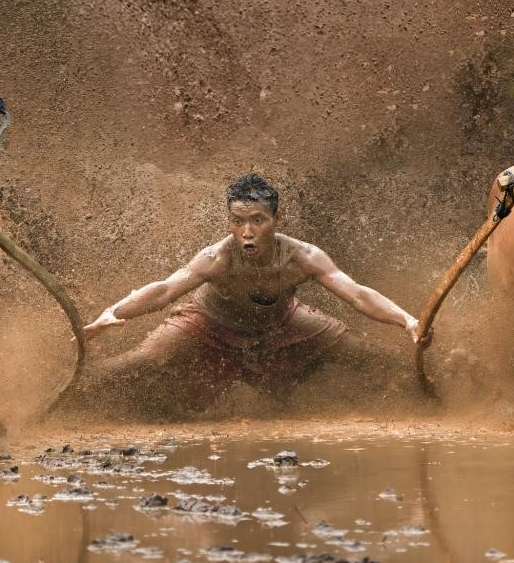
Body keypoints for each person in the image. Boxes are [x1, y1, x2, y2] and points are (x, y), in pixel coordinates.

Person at [84, 172, 419, 406]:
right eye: (237, 221)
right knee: (142, 360)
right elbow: (163, 291)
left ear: (275, 220)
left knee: (359, 352)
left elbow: (358, 294)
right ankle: (75, 390)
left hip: (282, 322)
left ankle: (426, 383)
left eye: (257, 220)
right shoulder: (216, 258)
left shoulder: (303, 257)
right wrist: (111, 313)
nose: (246, 231)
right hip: (207, 322)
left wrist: (407, 321)